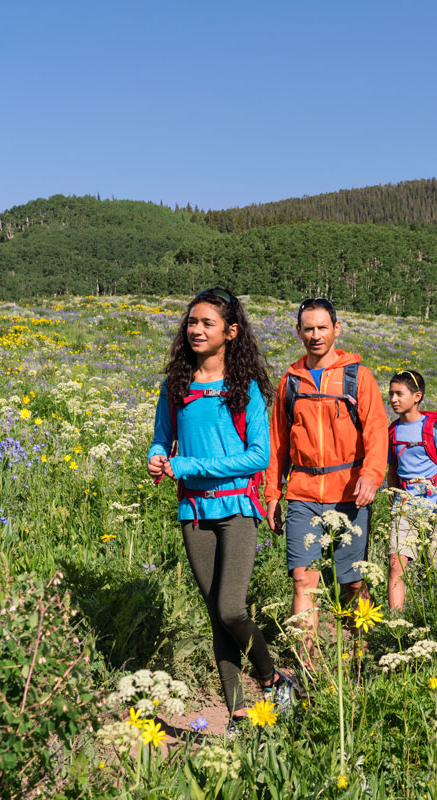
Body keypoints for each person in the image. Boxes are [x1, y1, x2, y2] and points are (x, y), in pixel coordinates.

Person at [147, 287, 296, 734]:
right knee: (216, 615)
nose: (195, 329)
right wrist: (156, 456)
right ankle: (235, 713)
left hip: (237, 508)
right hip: (193, 511)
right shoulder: (175, 386)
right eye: (192, 322)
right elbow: (161, 436)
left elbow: (257, 456)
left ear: (230, 332)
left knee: (231, 609)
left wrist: (188, 464)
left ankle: (272, 680)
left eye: (207, 323)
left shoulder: (244, 388)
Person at [264, 298, 388, 666]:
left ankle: (361, 653)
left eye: (322, 328)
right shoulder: (290, 382)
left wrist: (371, 475)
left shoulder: (358, 377)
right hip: (302, 494)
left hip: (350, 495)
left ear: (337, 329)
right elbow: (278, 443)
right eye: (308, 328)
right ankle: (308, 669)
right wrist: (273, 493)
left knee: (351, 583)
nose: (315, 335)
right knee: (304, 581)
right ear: (298, 332)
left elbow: (377, 431)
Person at [386, 369, 437, 612]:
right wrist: (393, 499)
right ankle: (394, 623)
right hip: (405, 506)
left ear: (417, 396)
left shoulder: (434, 429)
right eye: (391, 394)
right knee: (396, 563)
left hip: (436, 505)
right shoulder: (392, 431)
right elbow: (393, 469)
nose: (393, 399)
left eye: (399, 394)